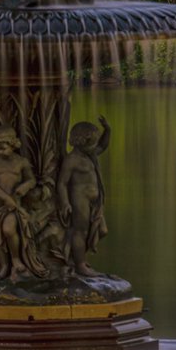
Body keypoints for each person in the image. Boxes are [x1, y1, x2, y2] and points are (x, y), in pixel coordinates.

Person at [0, 127, 47, 280]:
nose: (0, 151)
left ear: (13, 144)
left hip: (14, 204)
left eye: (3, 147)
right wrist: (6, 198)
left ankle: (15, 258)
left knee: (8, 230)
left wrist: (24, 187)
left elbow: (31, 179)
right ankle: (4, 265)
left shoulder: (21, 162)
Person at [57, 116, 110, 275]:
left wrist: (108, 130)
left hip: (95, 201)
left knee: (102, 231)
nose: (95, 146)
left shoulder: (90, 154)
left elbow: (103, 146)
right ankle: (80, 264)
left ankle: (77, 256)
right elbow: (62, 183)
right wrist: (65, 202)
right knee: (80, 231)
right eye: (91, 143)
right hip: (80, 199)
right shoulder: (72, 160)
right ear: (81, 142)